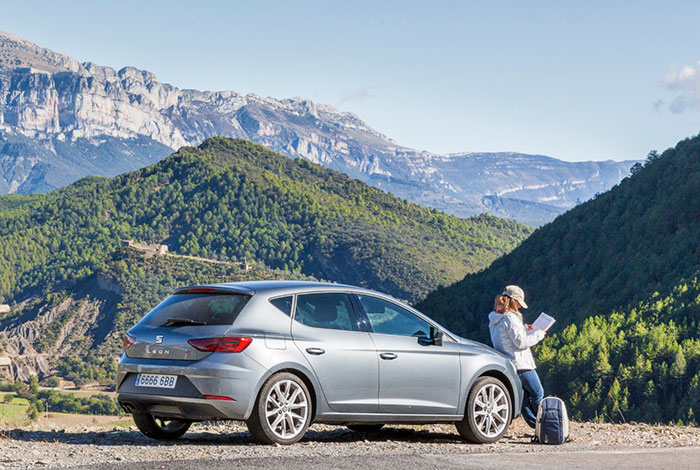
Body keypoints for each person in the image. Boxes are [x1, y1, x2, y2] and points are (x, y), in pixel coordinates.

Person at [488, 285, 546, 429]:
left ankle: (536, 425)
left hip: (508, 363)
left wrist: (525, 328)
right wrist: (539, 335)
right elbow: (520, 343)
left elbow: (506, 335)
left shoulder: (495, 317)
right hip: (521, 363)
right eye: (519, 302)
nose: (520, 306)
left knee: (524, 398)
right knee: (538, 392)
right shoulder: (510, 318)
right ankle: (544, 424)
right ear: (514, 301)